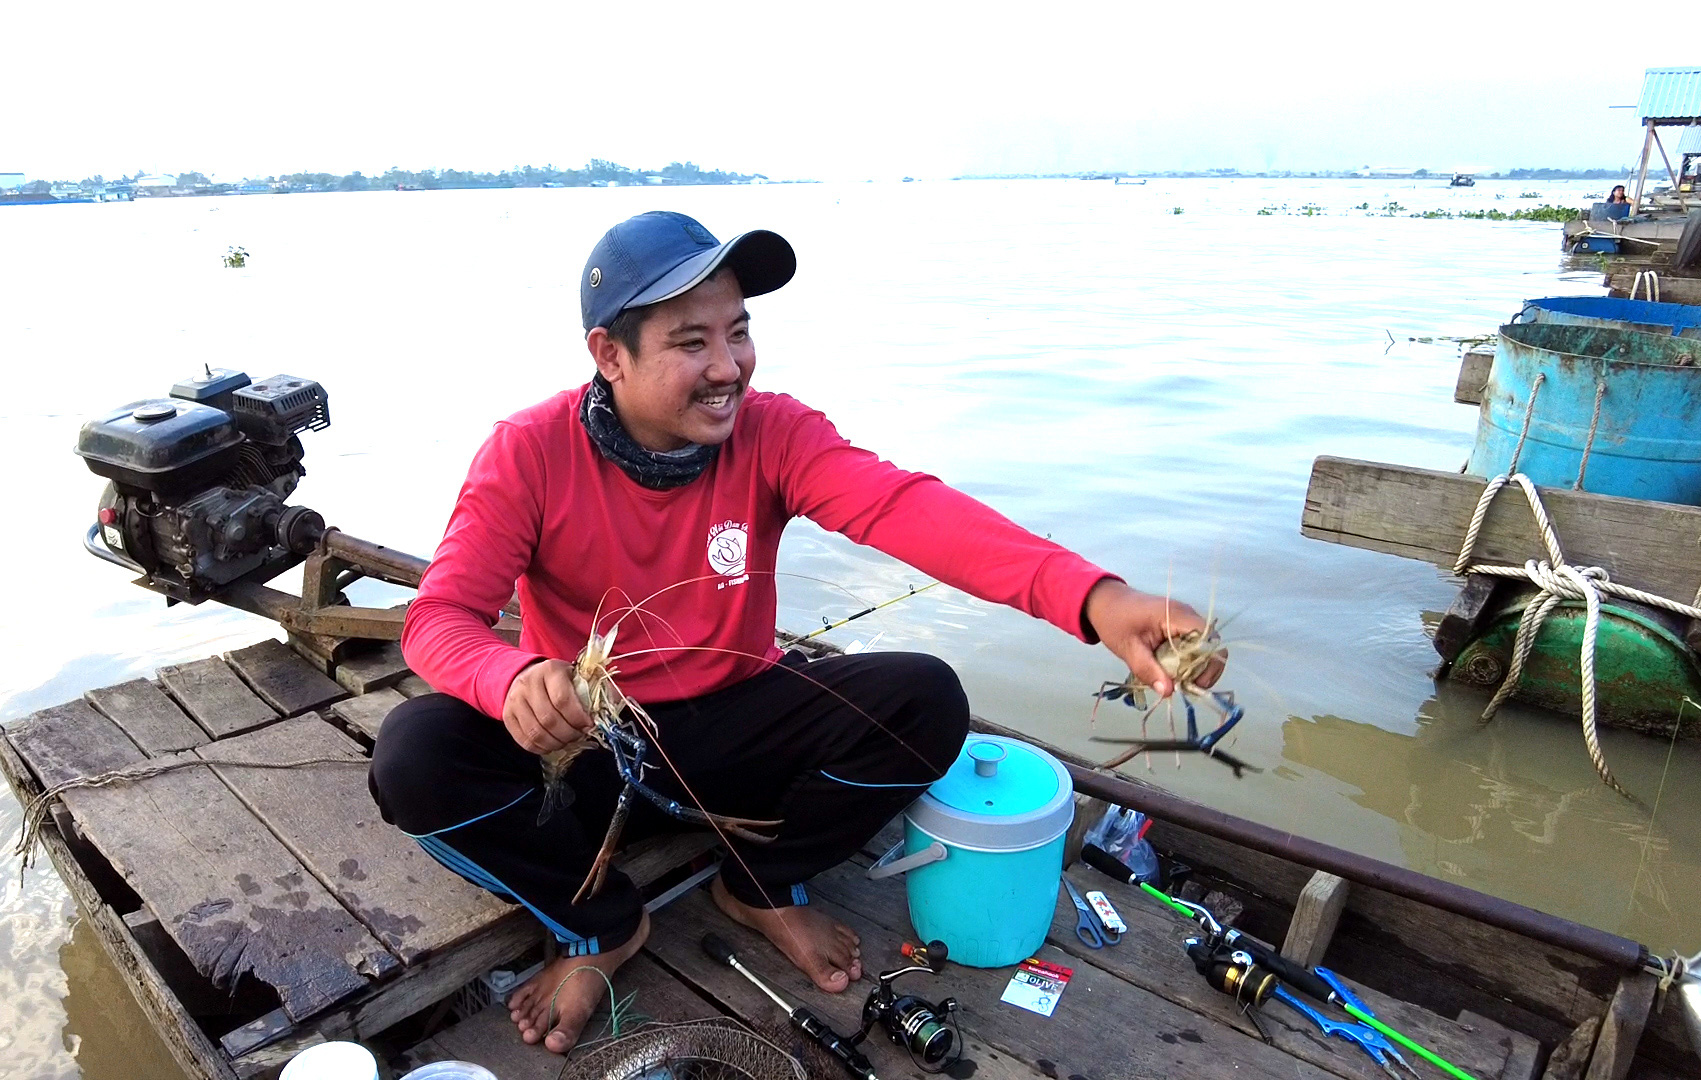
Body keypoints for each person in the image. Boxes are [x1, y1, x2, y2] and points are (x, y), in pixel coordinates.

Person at [368, 211, 1223, 1054]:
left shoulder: (773, 431)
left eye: (738, 332)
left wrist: (1093, 598)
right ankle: (601, 926)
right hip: (595, 746)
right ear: (609, 354)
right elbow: (441, 618)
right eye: (690, 341)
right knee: (415, 753)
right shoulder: (527, 451)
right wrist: (513, 681)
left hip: (736, 725)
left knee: (926, 698)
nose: (726, 367)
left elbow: (906, 508)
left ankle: (761, 885)